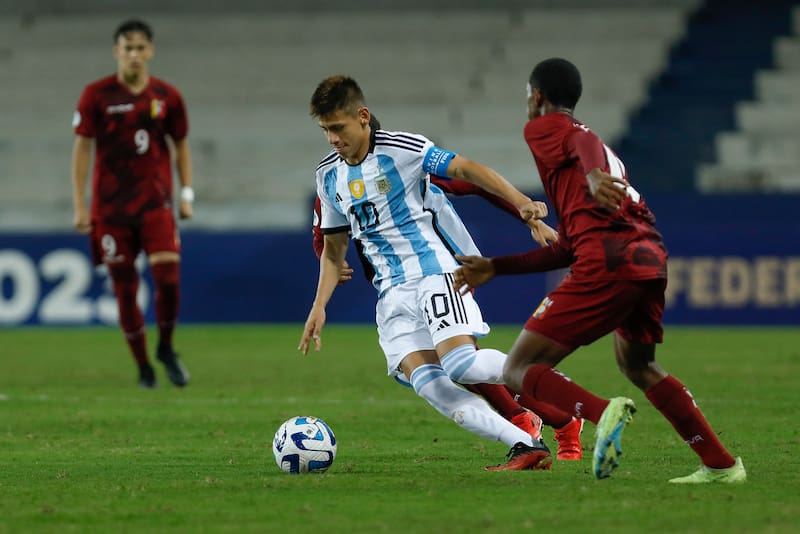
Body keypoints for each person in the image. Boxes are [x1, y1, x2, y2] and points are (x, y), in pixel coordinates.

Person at [453, 58, 745, 483]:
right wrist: (497, 267)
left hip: (608, 262)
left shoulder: (550, 129)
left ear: (537, 97)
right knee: (638, 364)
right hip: (648, 258)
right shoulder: (595, 154)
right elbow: (568, 248)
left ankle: (600, 410)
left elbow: (578, 142)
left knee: (519, 368)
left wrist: (592, 172)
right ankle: (721, 465)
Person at [299, 74, 556, 470]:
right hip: (391, 296)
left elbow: (469, 171)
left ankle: (557, 385)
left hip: (436, 272)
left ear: (362, 117)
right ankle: (526, 444)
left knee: (461, 365)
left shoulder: (404, 149)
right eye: (325, 130)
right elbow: (334, 252)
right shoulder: (327, 176)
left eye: (338, 128)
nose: (333, 138)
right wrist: (319, 306)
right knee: (431, 385)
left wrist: (524, 205)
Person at [71, 19, 192, 389]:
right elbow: (82, 149)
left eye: (141, 47)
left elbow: (180, 145)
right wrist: (80, 206)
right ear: (117, 51)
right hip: (110, 210)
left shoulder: (167, 97)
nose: (135, 54)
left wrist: (186, 193)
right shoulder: (96, 95)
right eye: (128, 48)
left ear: (150, 51)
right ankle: (143, 367)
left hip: (155, 204)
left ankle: (166, 348)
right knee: (125, 288)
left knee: (168, 280)